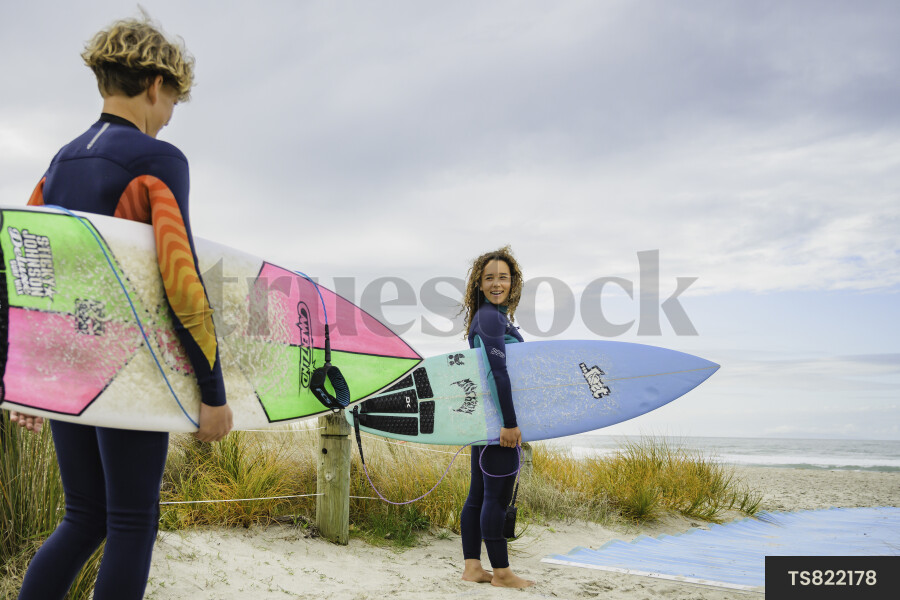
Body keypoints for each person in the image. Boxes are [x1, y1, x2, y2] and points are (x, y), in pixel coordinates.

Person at [8, 15, 233, 600]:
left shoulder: (59, 163)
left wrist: (29, 382)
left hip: (70, 369)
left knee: (84, 518)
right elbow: (179, 281)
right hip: (128, 370)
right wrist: (213, 393)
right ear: (156, 84)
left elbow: (31, 279)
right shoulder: (158, 160)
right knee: (133, 522)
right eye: (172, 104)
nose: (166, 119)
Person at [458, 245, 534, 588]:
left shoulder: (495, 317)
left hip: (485, 421)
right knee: (496, 497)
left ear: (513, 282)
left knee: (478, 496)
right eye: (489, 278)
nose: (496, 283)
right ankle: (501, 573)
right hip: (496, 422)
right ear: (479, 284)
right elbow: (497, 372)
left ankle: (473, 568)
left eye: (503, 277)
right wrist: (509, 423)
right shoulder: (489, 317)